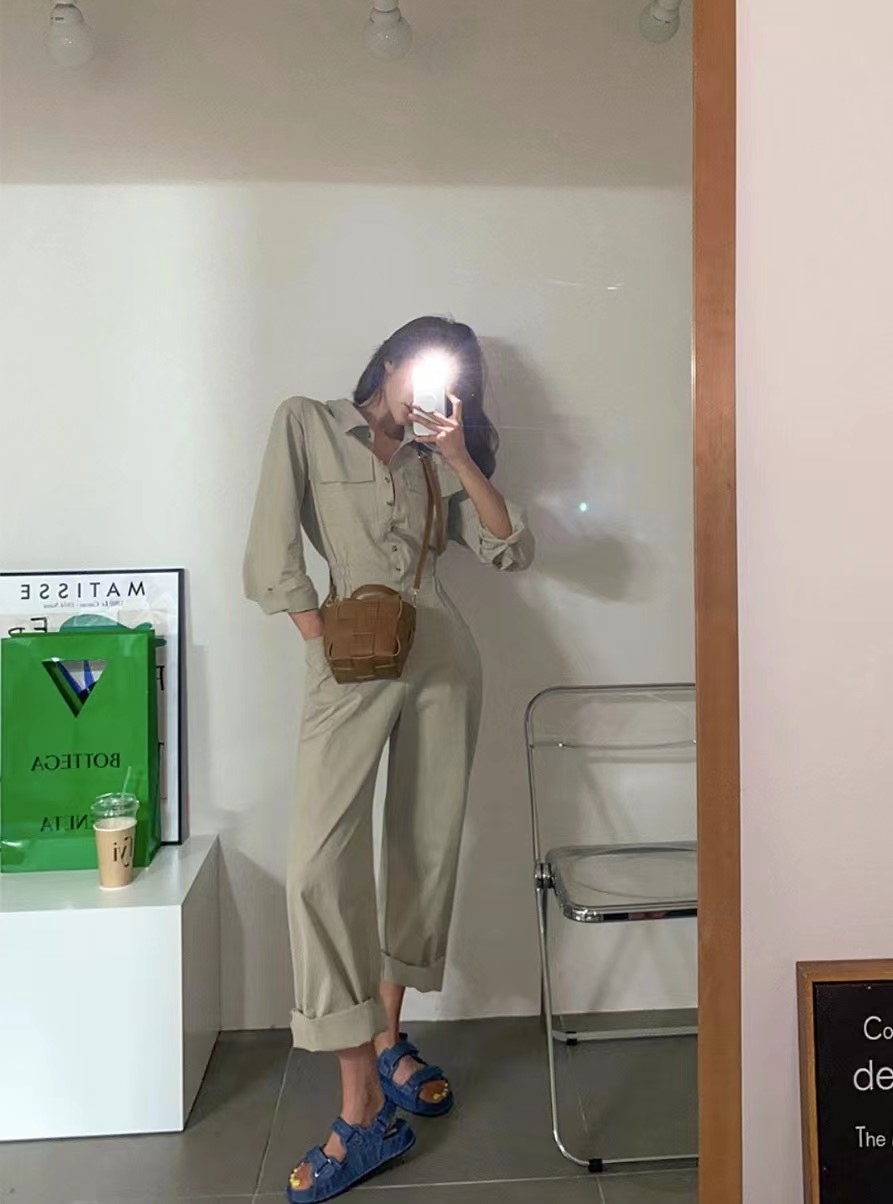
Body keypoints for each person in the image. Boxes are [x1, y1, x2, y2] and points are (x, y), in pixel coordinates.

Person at [244, 315, 534, 1202]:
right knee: (317, 868)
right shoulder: (306, 421)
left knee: (421, 850)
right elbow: (269, 554)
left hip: (441, 660)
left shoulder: (434, 456)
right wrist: (319, 636)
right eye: (432, 366)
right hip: (351, 657)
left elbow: (509, 547)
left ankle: (385, 1040)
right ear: (394, 357)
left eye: (458, 380)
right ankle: (362, 1103)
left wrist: (457, 456)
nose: (439, 386)